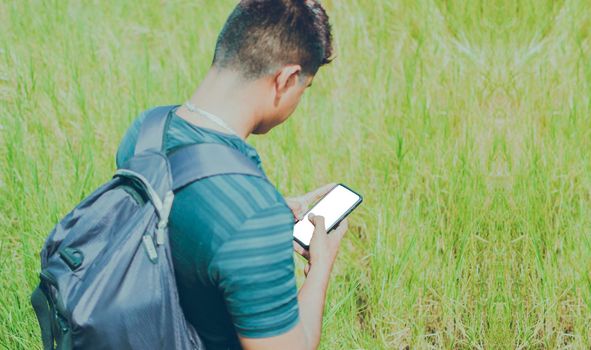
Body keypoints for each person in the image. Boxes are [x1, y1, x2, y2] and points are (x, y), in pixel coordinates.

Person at [116, 1, 348, 349]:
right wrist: (321, 265)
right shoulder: (252, 218)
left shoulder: (146, 130)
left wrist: (263, 213)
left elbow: (174, 220)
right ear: (285, 80)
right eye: (304, 88)